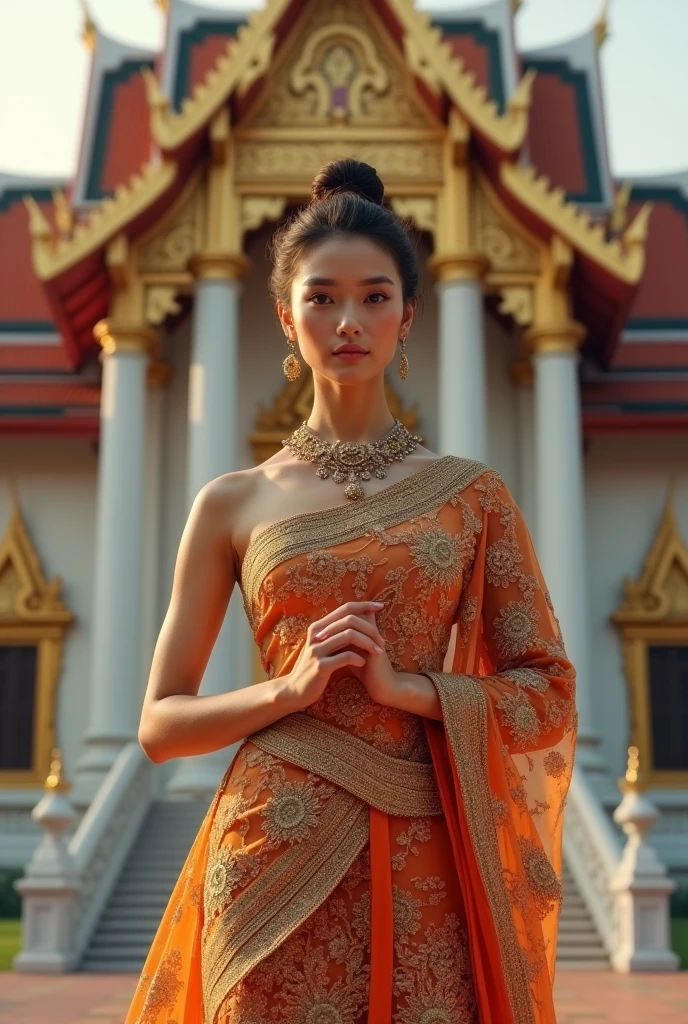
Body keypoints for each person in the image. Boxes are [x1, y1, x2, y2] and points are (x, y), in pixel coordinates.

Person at [124, 157, 577, 1024]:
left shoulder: (470, 495)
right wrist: (287, 691)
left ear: (407, 315)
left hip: (428, 856)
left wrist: (412, 691)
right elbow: (159, 725)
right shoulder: (232, 501)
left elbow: (547, 693)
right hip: (269, 852)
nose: (348, 321)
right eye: (322, 297)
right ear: (287, 318)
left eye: (374, 296)